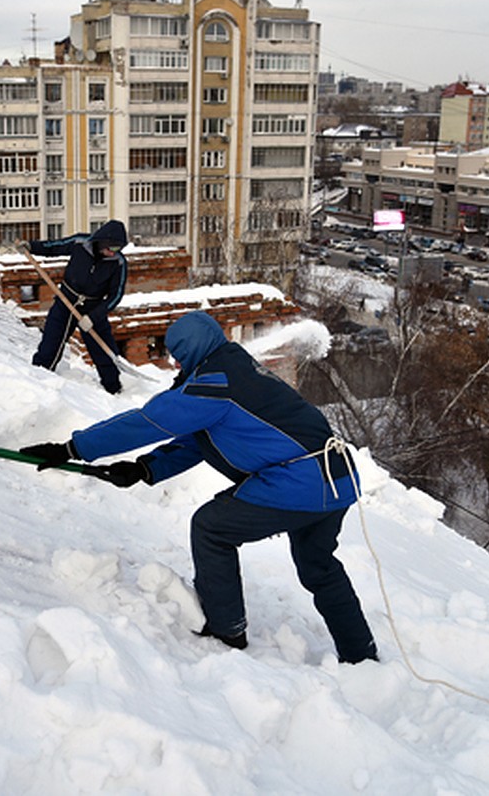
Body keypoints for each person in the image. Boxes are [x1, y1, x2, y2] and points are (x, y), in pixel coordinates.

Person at [20, 311, 378, 662]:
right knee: (320, 568)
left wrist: (72, 448)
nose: (176, 365)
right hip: (337, 479)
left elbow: (147, 422)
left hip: (298, 481)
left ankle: (228, 628)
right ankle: (360, 655)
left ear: (190, 350)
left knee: (212, 528)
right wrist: (144, 469)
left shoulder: (214, 383)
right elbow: (199, 439)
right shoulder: (235, 370)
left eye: (177, 357)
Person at [23, 220, 128, 394]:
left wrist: (93, 317)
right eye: (112, 248)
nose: (113, 253)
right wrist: (31, 246)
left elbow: (115, 296)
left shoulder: (118, 263)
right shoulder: (80, 243)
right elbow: (54, 247)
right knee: (51, 343)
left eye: (118, 249)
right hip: (66, 301)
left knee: (104, 352)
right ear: (102, 241)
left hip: (93, 309)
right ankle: (37, 384)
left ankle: (115, 391)